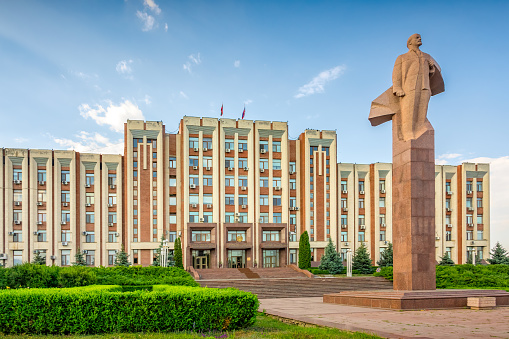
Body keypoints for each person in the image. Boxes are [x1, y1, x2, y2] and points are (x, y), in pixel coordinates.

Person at [369, 34, 444, 141]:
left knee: (422, 113)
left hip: (424, 87)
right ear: (409, 43)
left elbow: (431, 74)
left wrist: (431, 68)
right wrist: (397, 88)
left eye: (420, 37)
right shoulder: (402, 57)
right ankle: (408, 134)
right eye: (416, 38)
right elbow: (396, 74)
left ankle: (420, 130)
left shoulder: (427, 56)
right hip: (408, 88)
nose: (419, 38)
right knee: (409, 113)